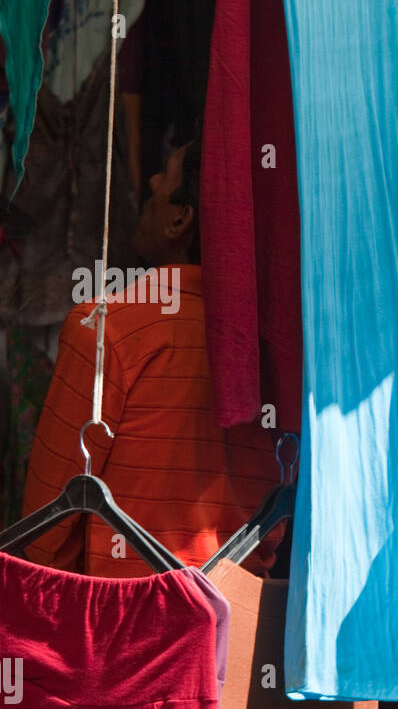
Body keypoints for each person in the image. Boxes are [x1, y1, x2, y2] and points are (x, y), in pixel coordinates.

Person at [20, 132, 281, 577]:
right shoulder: (277, 347)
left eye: (168, 174)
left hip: (119, 622)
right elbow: (274, 521)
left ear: (181, 220)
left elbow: (47, 525)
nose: (154, 179)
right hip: (243, 626)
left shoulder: (105, 329)